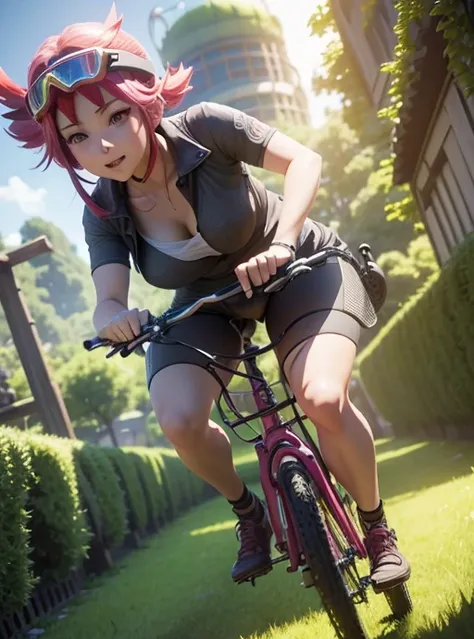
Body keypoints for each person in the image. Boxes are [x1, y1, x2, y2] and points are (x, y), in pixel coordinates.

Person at [0, 6, 410, 591]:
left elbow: (304, 162)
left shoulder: (206, 125)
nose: (104, 145)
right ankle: (250, 514)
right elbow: (107, 299)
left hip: (298, 265)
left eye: (115, 116)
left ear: (142, 99)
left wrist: (285, 242)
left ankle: (377, 532)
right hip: (210, 303)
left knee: (320, 396)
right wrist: (116, 318)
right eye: (78, 137)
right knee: (178, 418)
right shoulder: (103, 212)